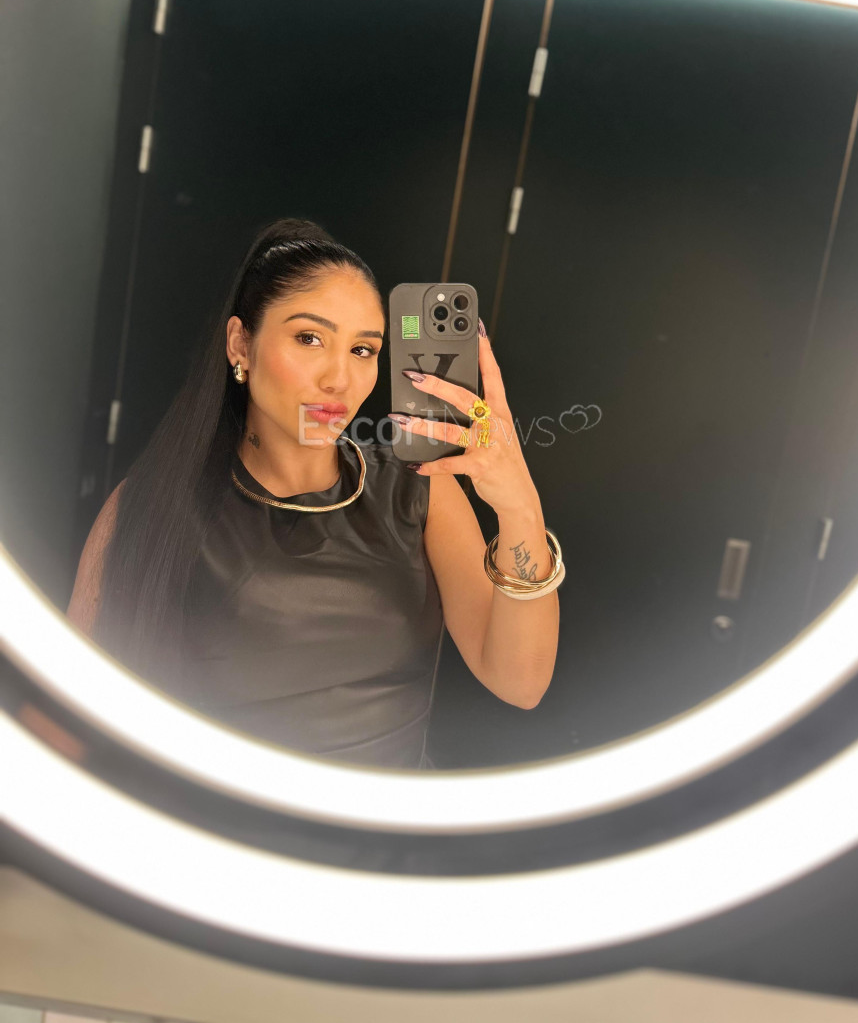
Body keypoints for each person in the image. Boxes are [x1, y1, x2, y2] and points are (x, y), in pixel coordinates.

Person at [66, 217, 563, 769]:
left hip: (386, 821)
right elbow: (73, 717)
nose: (339, 379)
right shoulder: (151, 508)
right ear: (240, 344)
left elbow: (521, 682)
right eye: (310, 338)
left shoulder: (419, 490)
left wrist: (520, 507)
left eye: (363, 350)